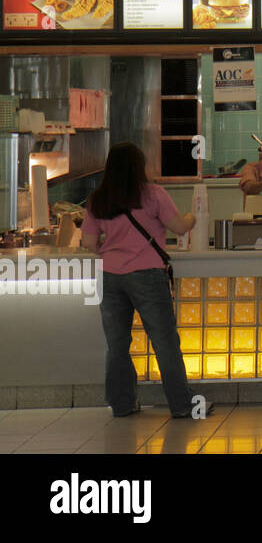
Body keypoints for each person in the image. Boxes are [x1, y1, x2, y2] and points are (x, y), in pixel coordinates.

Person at [81, 143, 213, 419]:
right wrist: (192, 217)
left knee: (116, 343)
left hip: (110, 277)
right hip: (147, 275)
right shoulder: (153, 194)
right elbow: (178, 226)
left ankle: (121, 403)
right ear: (138, 167)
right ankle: (182, 405)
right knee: (164, 341)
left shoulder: (98, 199)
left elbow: (89, 243)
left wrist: (115, 244)